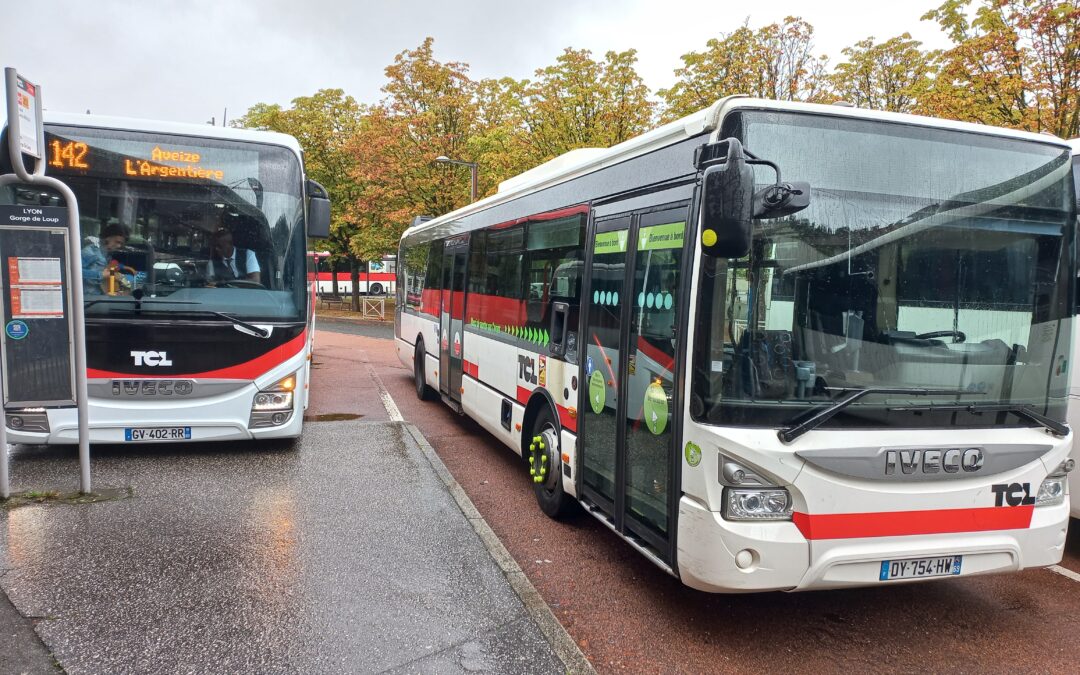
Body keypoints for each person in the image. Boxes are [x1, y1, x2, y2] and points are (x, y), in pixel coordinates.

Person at [81, 223, 129, 295]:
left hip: (102, 300)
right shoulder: (90, 252)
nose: (119, 246)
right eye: (118, 242)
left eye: (121, 244)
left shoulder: (109, 256)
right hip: (87, 301)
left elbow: (108, 274)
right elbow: (73, 273)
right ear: (108, 237)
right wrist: (100, 275)